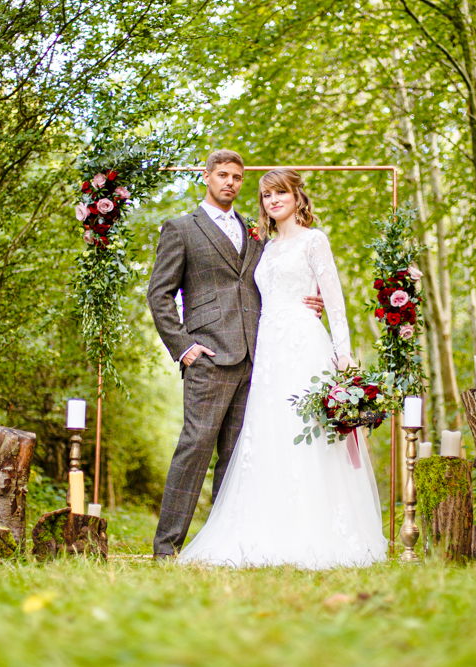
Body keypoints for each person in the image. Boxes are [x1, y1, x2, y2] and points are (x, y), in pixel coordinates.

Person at [177, 168, 387, 568]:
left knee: (307, 433)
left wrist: (342, 352)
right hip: (267, 350)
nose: (273, 201)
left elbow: (334, 299)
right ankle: (267, 527)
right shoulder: (265, 247)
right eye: (266, 195)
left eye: (280, 193)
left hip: (304, 343)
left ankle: (317, 529)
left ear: (296, 197)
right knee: (268, 433)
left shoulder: (315, 241)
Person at [146, 151, 324, 559]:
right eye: (223, 175)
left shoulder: (256, 230)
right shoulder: (180, 228)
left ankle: (223, 544)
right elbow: (159, 294)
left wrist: (304, 303)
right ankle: (166, 546)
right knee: (195, 449)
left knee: (238, 456)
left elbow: (275, 277)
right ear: (206, 177)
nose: (230, 182)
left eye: (238, 177)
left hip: (259, 358)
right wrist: (184, 346)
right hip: (209, 356)